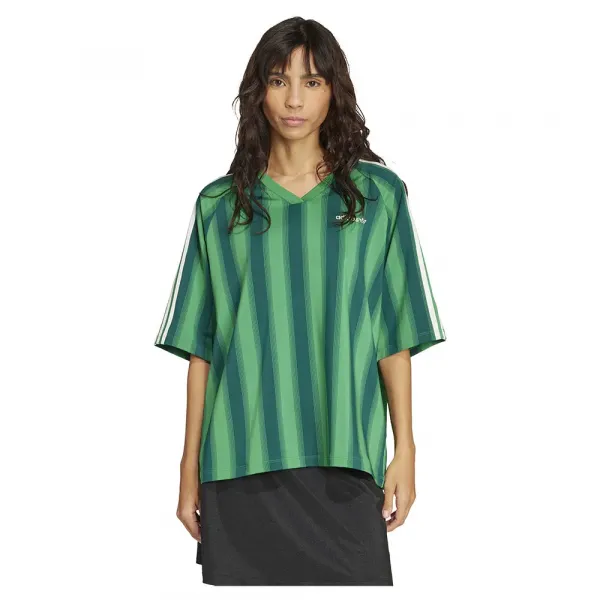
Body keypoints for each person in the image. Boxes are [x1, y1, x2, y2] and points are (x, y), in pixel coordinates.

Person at [154, 16, 446, 586]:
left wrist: (406, 448)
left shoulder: (377, 196)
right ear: (257, 91)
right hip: (239, 460)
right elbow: (202, 350)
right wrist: (188, 467)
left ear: (334, 90)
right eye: (278, 80)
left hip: (346, 454)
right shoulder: (219, 205)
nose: (293, 99)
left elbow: (393, 332)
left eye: (311, 82)